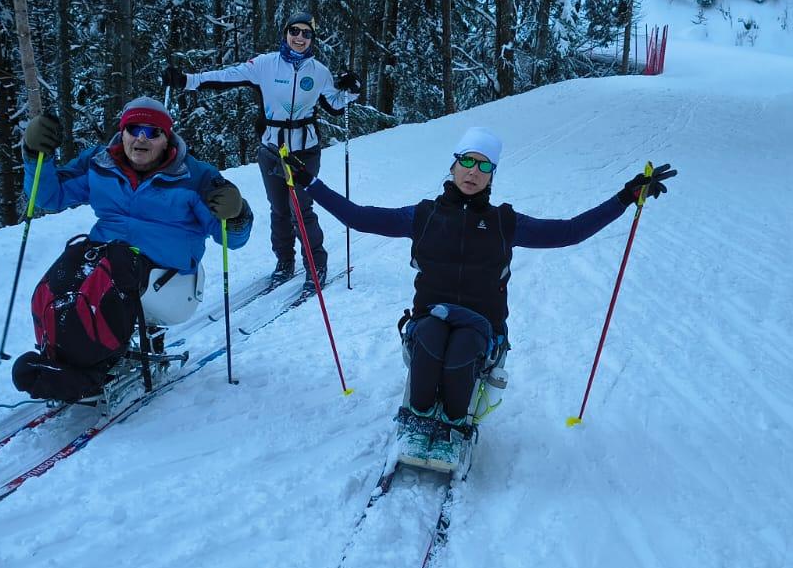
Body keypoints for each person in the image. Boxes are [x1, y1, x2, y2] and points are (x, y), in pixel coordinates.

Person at [280, 126, 676, 469]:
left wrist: (625, 198)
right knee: (431, 337)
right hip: (430, 316)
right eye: (467, 162)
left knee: (463, 346)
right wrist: (309, 184)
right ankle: (418, 419)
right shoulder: (423, 215)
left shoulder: (505, 222)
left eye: (484, 166)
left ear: (492, 176)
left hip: (482, 326)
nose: (473, 171)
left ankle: (455, 426)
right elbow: (359, 217)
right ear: (453, 166)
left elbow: (569, 232)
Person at [11, 97, 254, 403]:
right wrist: (36, 156)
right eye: (133, 129)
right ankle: (55, 356)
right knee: (66, 268)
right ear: (122, 132)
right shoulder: (99, 163)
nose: (141, 138)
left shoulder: (196, 178)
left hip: (169, 275)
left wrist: (237, 214)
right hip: (108, 254)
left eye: (152, 132)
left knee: (114, 271)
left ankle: (92, 368)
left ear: (166, 139)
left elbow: (233, 240)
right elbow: (49, 196)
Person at [163, 11, 360, 294]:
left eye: (306, 33)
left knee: (301, 210)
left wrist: (352, 90)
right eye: (294, 31)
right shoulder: (265, 65)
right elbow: (227, 77)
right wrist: (186, 80)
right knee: (279, 210)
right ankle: (285, 262)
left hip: (304, 152)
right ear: (286, 33)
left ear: (312, 38)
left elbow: (336, 105)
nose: (300, 38)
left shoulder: (319, 72)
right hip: (271, 150)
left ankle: (316, 266)